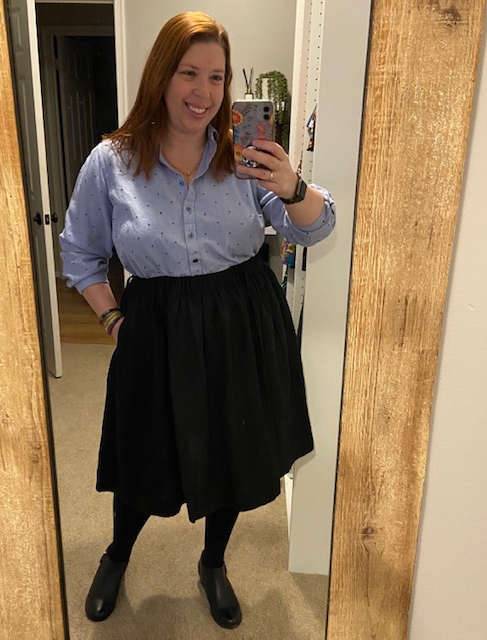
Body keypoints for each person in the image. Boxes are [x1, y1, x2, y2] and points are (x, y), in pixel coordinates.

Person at [59, 11, 335, 630]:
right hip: (153, 324)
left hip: (241, 320)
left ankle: (213, 563)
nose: (203, 91)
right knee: (142, 448)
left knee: (231, 447)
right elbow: (79, 252)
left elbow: (314, 229)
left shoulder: (246, 158)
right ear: (161, 74)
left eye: (216, 76)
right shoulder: (111, 162)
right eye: (189, 72)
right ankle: (117, 552)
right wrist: (113, 320)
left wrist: (292, 186)